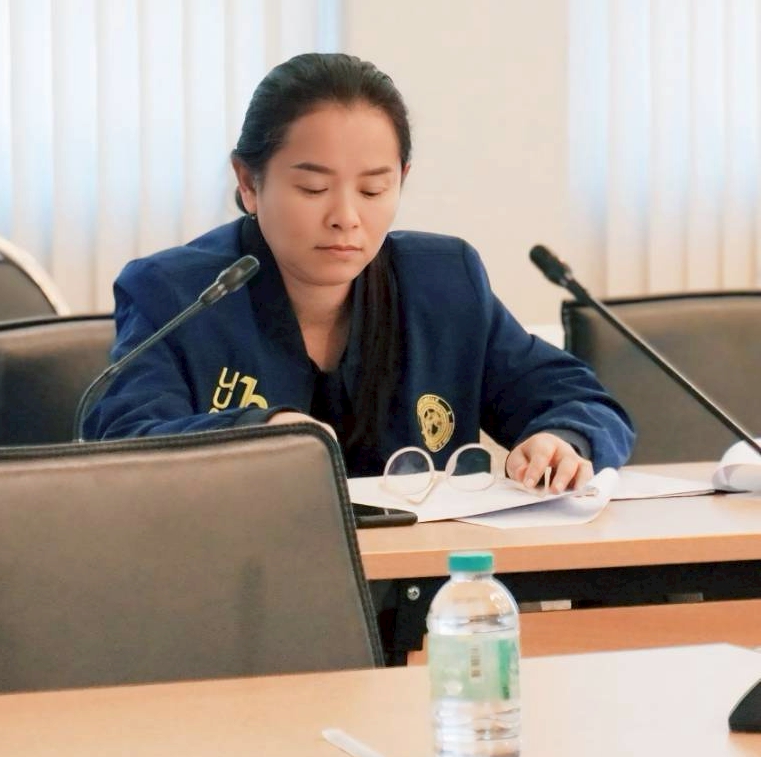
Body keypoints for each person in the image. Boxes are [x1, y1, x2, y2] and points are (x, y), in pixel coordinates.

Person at [82, 52, 632, 491]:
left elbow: (581, 401)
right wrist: (257, 433)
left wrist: (564, 439)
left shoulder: (443, 283)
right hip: (242, 581)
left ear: (402, 180)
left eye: (373, 189)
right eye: (313, 188)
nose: (346, 217)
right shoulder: (176, 294)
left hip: (426, 584)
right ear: (248, 182)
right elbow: (124, 441)